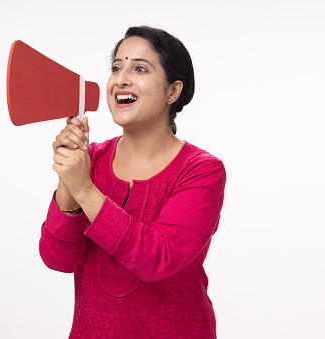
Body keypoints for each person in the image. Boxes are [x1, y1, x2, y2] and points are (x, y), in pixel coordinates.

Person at [39, 26, 226, 338]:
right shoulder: (92, 159)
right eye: (116, 67)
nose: (120, 79)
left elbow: (159, 259)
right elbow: (58, 258)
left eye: (139, 68)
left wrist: (83, 187)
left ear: (172, 91)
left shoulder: (201, 171)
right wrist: (69, 179)